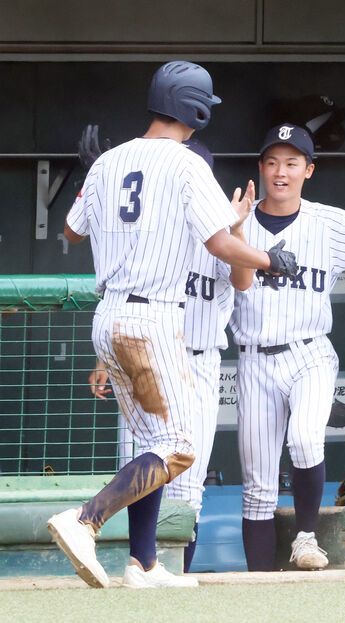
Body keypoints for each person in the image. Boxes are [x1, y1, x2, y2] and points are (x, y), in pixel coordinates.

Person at [49, 60, 297, 589]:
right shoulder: (186, 164)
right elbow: (221, 245)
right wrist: (270, 259)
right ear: (195, 108)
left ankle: (144, 563)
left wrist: (94, 176)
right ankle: (85, 519)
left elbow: (70, 231)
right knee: (180, 446)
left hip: (108, 318)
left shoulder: (108, 161)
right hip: (151, 320)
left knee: (151, 440)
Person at [228, 124, 345, 571]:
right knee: (257, 487)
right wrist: (232, 226)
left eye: (291, 163)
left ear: (308, 169)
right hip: (252, 360)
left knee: (307, 440)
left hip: (309, 352)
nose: (280, 172)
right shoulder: (234, 222)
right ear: (260, 168)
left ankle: (305, 539)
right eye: (272, 162)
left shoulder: (327, 221)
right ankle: (260, 585)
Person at [84, 138, 245, 573]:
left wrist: (239, 228)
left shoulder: (224, 237)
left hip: (198, 357)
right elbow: (126, 302)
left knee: (186, 483)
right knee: (150, 455)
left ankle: (154, 568)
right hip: (149, 357)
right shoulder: (148, 238)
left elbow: (244, 279)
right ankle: (133, 555)